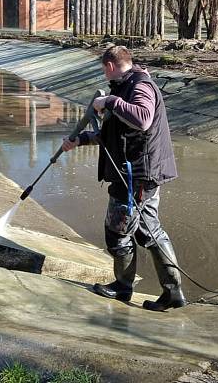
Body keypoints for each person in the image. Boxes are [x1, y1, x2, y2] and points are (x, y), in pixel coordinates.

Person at [61, 45, 187, 311]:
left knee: (119, 232)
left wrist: (109, 101)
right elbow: (114, 134)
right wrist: (80, 139)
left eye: (103, 71)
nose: (104, 76)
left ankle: (124, 287)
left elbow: (142, 119)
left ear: (109, 66)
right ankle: (171, 292)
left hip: (137, 176)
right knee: (147, 231)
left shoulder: (140, 87)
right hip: (137, 173)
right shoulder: (124, 86)